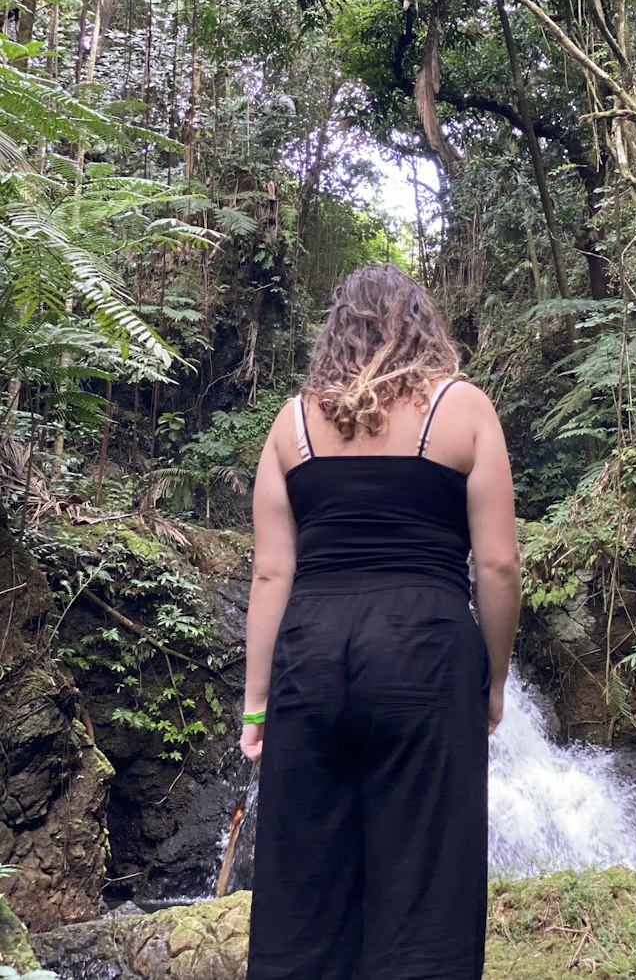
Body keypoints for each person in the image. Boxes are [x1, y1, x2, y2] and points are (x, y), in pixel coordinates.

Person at [241, 264, 520, 980]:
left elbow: (272, 573)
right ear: (422, 325)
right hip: (425, 652)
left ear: (337, 329)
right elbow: (497, 568)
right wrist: (492, 682)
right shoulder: (464, 409)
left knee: (303, 885)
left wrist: (256, 704)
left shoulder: (291, 422)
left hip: (310, 658)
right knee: (426, 885)